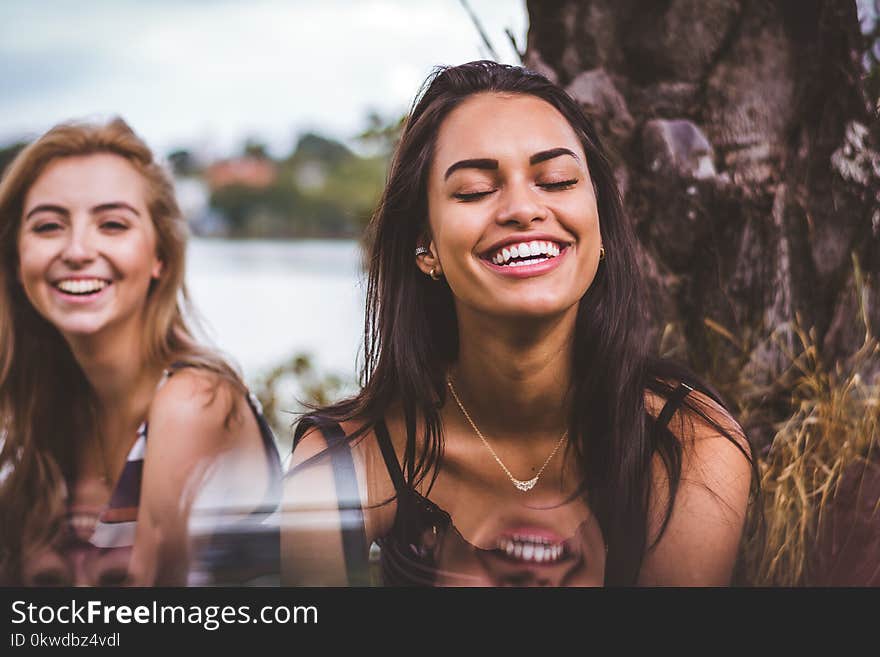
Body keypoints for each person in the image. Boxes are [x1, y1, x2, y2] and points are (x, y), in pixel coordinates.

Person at [281, 61, 756, 586]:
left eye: (556, 180)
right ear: (426, 246)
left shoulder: (690, 443)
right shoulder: (342, 466)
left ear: (599, 225)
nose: (523, 209)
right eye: (475, 190)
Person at [0, 119, 282, 586]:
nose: (76, 249)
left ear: (161, 258)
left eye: (112, 225)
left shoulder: (194, 401)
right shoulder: (40, 413)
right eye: (48, 226)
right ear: (16, 258)